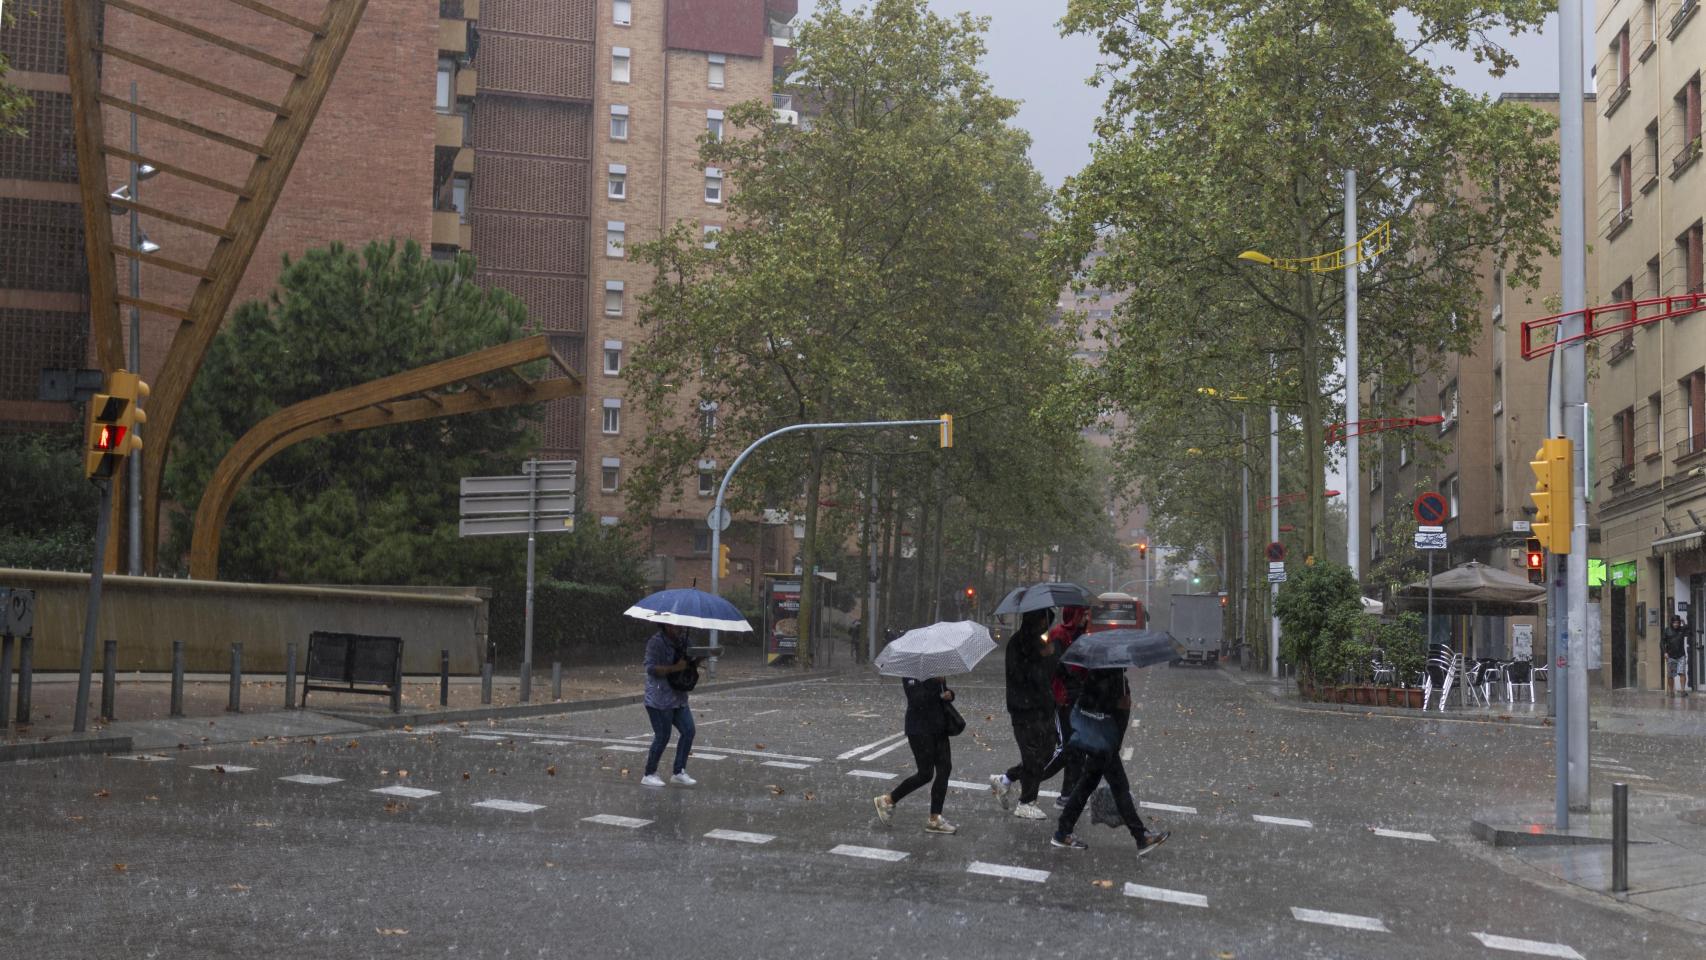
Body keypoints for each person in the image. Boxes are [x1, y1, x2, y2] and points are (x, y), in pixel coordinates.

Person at [1051, 667, 1169, 857]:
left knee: (1085, 786)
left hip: (1101, 741)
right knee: (1119, 788)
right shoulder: (1111, 679)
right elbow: (1107, 712)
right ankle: (1141, 836)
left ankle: (1062, 832)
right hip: (1103, 744)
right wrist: (1119, 703)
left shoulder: (1104, 676)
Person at [990, 607, 1058, 820]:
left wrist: (1049, 656)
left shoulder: (1040, 642)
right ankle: (1027, 801)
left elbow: (1050, 674)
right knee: (1032, 756)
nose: (1045, 626)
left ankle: (1006, 779)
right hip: (1025, 709)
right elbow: (1020, 676)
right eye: (1043, 621)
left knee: (1046, 753)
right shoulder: (1018, 643)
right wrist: (1040, 658)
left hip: (1044, 707)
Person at [872, 675, 958, 834]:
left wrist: (949, 694)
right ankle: (888, 800)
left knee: (945, 769)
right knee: (925, 774)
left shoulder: (935, 666)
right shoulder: (911, 672)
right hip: (919, 729)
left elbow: (942, 693)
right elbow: (917, 699)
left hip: (939, 727)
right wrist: (936, 687)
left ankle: (935, 819)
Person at [1042, 605, 1091, 806]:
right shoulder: (1058, 635)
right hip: (1063, 699)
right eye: (1083, 613)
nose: (1086, 617)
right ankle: (1025, 776)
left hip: (1079, 698)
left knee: (1077, 749)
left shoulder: (1084, 635)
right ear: (1074, 614)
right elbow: (1059, 667)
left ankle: (1068, 794)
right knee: (1066, 748)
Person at [641, 623, 700, 788]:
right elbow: (651, 668)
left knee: (688, 731)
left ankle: (679, 771)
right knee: (662, 736)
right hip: (659, 698)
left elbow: (689, 662)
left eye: (680, 625)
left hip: (678, 697)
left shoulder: (684, 640)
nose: (679, 627)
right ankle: (649, 773)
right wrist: (675, 668)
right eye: (675, 625)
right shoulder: (656, 642)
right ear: (666, 625)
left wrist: (703, 656)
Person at [1663, 615, 1689, 697]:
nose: (1676, 624)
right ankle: (1671, 691)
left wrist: (1684, 623)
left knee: (1682, 673)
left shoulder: (1682, 629)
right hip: (1671, 656)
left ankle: (1682, 690)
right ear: (1671, 623)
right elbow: (1662, 642)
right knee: (1670, 675)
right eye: (1674, 623)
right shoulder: (1667, 631)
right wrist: (1665, 652)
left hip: (1681, 655)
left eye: (1678, 623)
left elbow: (1688, 630)